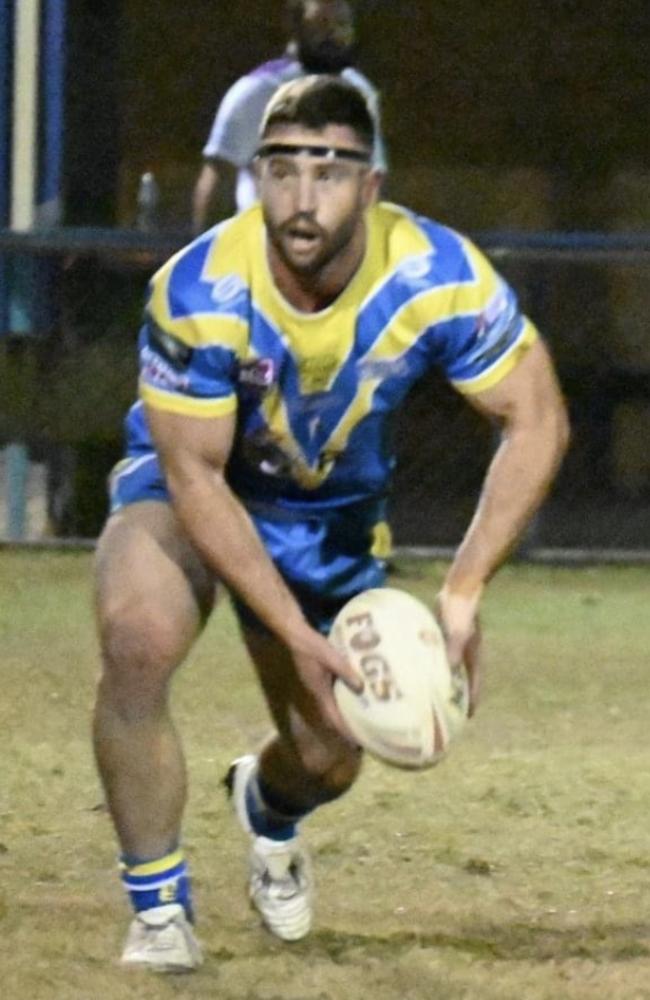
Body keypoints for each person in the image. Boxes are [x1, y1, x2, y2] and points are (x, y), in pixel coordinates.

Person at [93, 75, 569, 973]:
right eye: (280, 171)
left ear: (372, 185)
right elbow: (196, 477)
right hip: (195, 484)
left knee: (329, 756)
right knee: (138, 633)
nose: (302, 198)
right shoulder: (198, 287)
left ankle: (267, 811)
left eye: (330, 171)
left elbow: (536, 416)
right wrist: (288, 634)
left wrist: (463, 588)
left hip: (327, 518)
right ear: (255, 178)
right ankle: (159, 905)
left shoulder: (438, 276)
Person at [191, 0, 387, 231]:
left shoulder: (361, 92)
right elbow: (219, 180)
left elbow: (372, 180)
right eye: (321, 24)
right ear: (295, 25)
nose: (333, 35)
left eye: (341, 24)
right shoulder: (258, 90)